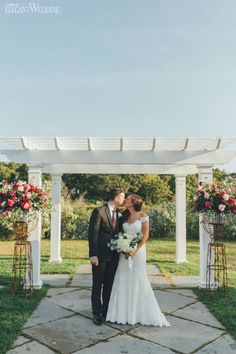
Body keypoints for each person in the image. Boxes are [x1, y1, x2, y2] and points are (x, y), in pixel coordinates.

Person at [106, 194, 171, 327]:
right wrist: (122, 246)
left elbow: (145, 235)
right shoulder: (123, 216)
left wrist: (134, 250)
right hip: (124, 253)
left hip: (138, 252)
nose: (125, 200)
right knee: (122, 278)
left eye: (128, 199)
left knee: (138, 279)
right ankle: (121, 314)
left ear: (134, 202)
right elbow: (119, 233)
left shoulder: (142, 215)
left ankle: (139, 313)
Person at [88, 187, 125, 325]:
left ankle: (106, 311)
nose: (123, 199)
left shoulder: (119, 213)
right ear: (116, 197)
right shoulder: (99, 211)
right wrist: (93, 254)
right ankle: (96, 313)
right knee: (98, 285)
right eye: (122, 197)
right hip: (100, 256)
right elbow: (93, 234)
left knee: (109, 285)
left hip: (114, 256)